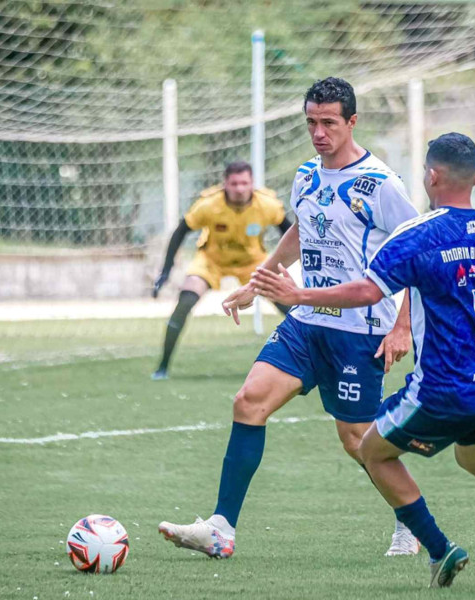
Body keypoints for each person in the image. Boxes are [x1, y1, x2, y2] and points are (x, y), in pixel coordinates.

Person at [252, 132, 475, 588]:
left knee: (371, 451)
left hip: (440, 386)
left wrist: (299, 293)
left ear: (431, 176)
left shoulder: (418, 233)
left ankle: (438, 548)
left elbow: (367, 291)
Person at [158, 77, 422, 558]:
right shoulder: (306, 176)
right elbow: (300, 233)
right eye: (311, 123)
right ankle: (221, 527)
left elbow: (417, 252)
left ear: (352, 122)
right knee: (249, 401)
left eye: (328, 123)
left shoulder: (381, 184)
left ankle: (412, 523)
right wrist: (256, 283)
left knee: (357, 440)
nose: (318, 133)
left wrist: (403, 323)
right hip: (305, 322)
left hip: (359, 328)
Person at [150, 161, 292, 380]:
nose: (239, 188)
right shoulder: (208, 204)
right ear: (225, 184)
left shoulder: (267, 205)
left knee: (290, 306)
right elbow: (181, 231)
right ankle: (162, 367)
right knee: (185, 301)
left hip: (252, 262)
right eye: (234, 183)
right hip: (211, 260)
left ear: (252, 183)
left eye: (244, 183)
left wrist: (283, 269)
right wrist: (166, 271)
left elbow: (290, 233)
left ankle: (312, 359)